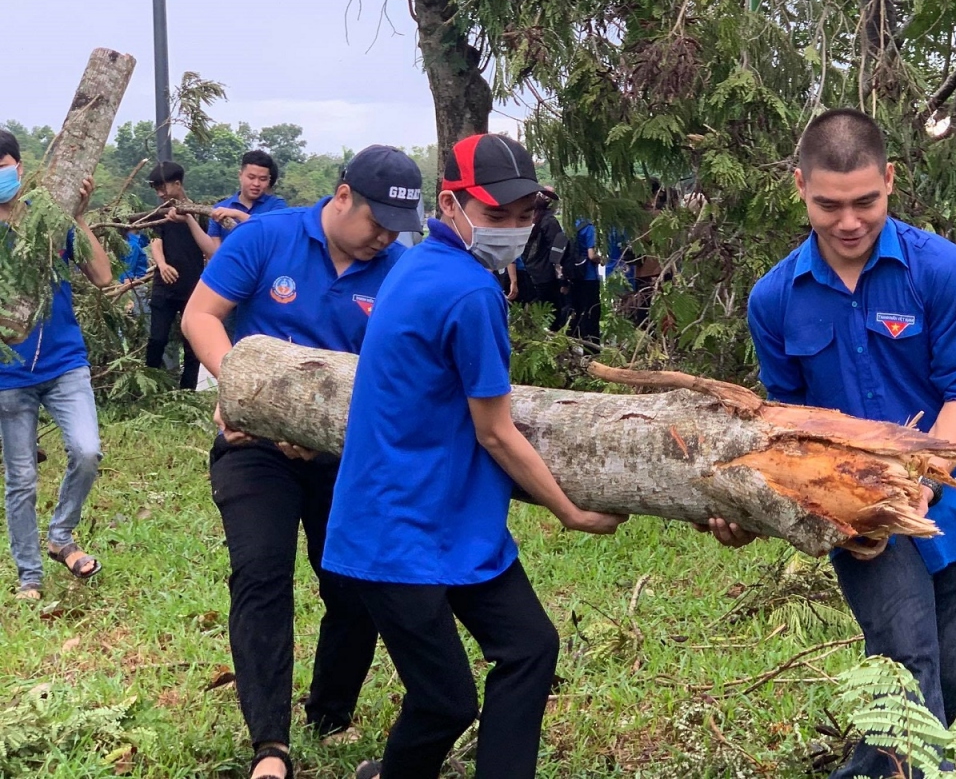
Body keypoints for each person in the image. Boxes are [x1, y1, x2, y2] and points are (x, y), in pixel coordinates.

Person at [716, 109, 956, 778]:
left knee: (945, 691)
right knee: (910, 673)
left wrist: (920, 484)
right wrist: (744, 503)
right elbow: (786, 425)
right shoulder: (774, 299)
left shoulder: (947, 273)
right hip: (860, 521)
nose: (848, 222)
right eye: (828, 205)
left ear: (890, 180)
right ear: (799, 187)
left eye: (864, 202)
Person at [321, 134, 626, 779]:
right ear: (451, 203)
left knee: (529, 647)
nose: (514, 230)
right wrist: (569, 511)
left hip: (450, 518)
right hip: (398, 531)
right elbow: (496, 432)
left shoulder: (417, 262)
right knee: (445, 700)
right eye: (496, 216)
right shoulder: (468, 293)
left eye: (524, 217)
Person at [180, 145, 423, 779]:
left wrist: (325, 435)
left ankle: (330, 712)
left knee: (350, 582)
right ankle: (271, 745)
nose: (384, 239)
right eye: (376, 223)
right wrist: (236, 386)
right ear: (342, 195)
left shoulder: (396, 271)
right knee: (261, 574)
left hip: (340, 453)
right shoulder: (267, 238)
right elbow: (201, 315)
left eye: (396, 230)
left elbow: (393, 375)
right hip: (252, 446)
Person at [0, 128, 113, 601]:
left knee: (87, 452)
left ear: (20, 167)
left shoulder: (48, 219)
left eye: (2, 167)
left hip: (65, 363)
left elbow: (103, 275)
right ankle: (29, 574)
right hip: (8, 376)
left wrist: (78, 216)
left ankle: (60, 535)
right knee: (21, 478)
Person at [146, 162, 208, 390]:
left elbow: (208, 247)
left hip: (193, 287)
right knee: (157, 339)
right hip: (164, 287)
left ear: (178, 184)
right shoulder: (160, 214)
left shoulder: (199, 213)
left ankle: (187, 391)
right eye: (156, 189)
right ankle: (149, 386)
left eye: (163, 187)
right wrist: (162, 265)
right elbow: (156, 241)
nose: (160, 193)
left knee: (192, 344)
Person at [199, 150, 289, 257]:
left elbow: (274, 232)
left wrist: (238, 214)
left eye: (263, 179)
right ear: (240, 175)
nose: (256, 183)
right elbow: (215, 254)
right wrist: (189, 219)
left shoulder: (276, 205)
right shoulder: (220, 208)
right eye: (251, 177)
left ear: (269, 180)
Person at [521, 189, 569, 330]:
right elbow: (558, 251)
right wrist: (563, 279)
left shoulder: (531, 219)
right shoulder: (549, 221)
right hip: (546, 276)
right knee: (554, 312)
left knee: (536, 311)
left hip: (530, 272)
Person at [568, 216, 602, 343]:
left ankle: (575, 342)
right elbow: (591, 255)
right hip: (589, 276)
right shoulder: (589, 227)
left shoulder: (571, 225)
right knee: (591, 312)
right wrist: (601, 260)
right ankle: (592, 348)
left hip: (574, 274)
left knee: (577, 311)